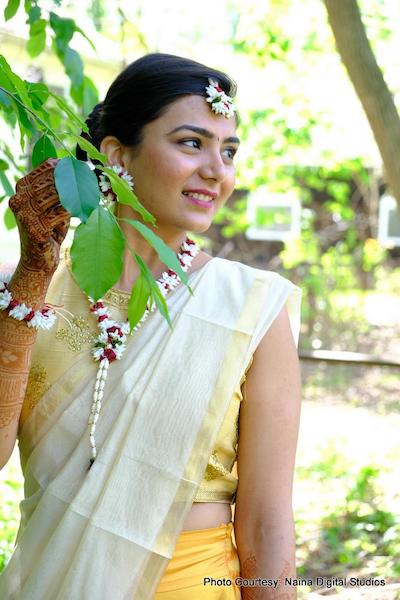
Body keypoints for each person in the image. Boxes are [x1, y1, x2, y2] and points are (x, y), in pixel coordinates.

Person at [0, 53, 302, 599]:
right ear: (116, 154)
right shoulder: (26, 289)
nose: (218, 170)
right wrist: (29, 277)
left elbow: (266, 525)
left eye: (228, 151)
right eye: (192, 143)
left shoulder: (251, 307)